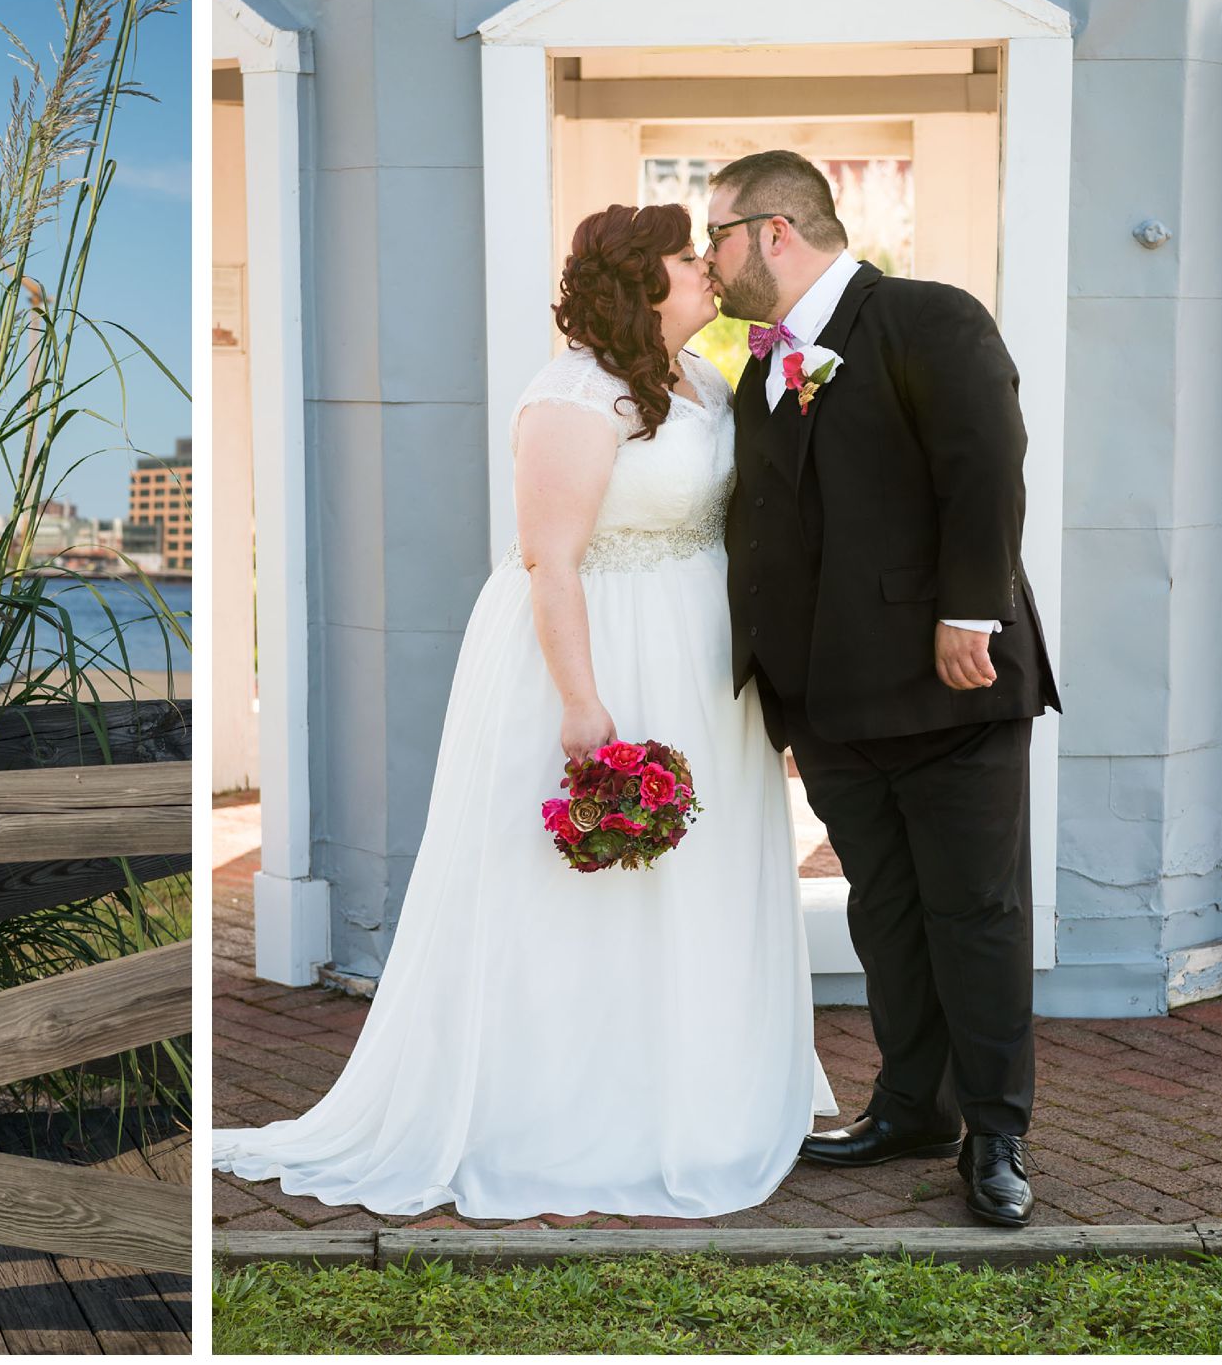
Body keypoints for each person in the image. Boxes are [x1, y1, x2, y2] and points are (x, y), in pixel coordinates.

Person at [213, 204, 835, 1220]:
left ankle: (699, 1090)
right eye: (686, 258)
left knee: (696, 877)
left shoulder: (706, 380)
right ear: (642, 284)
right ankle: (567, 1109)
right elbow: (550, 562)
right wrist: (582, 704)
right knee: (582, 886)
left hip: (698, 660)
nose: (704, 271)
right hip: (595, 647)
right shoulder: (569, 397)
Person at [710, 150, 1059, 1227]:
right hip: (826, 701)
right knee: (887, 912)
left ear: (773, 231)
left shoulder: (924, 315)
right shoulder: (761, 364)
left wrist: (972, 613)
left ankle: (994, 1135)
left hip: (947, 678)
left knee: (977, 909)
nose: (708, 257)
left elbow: (983, 462)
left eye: (715, 233)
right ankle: (911, 1108)